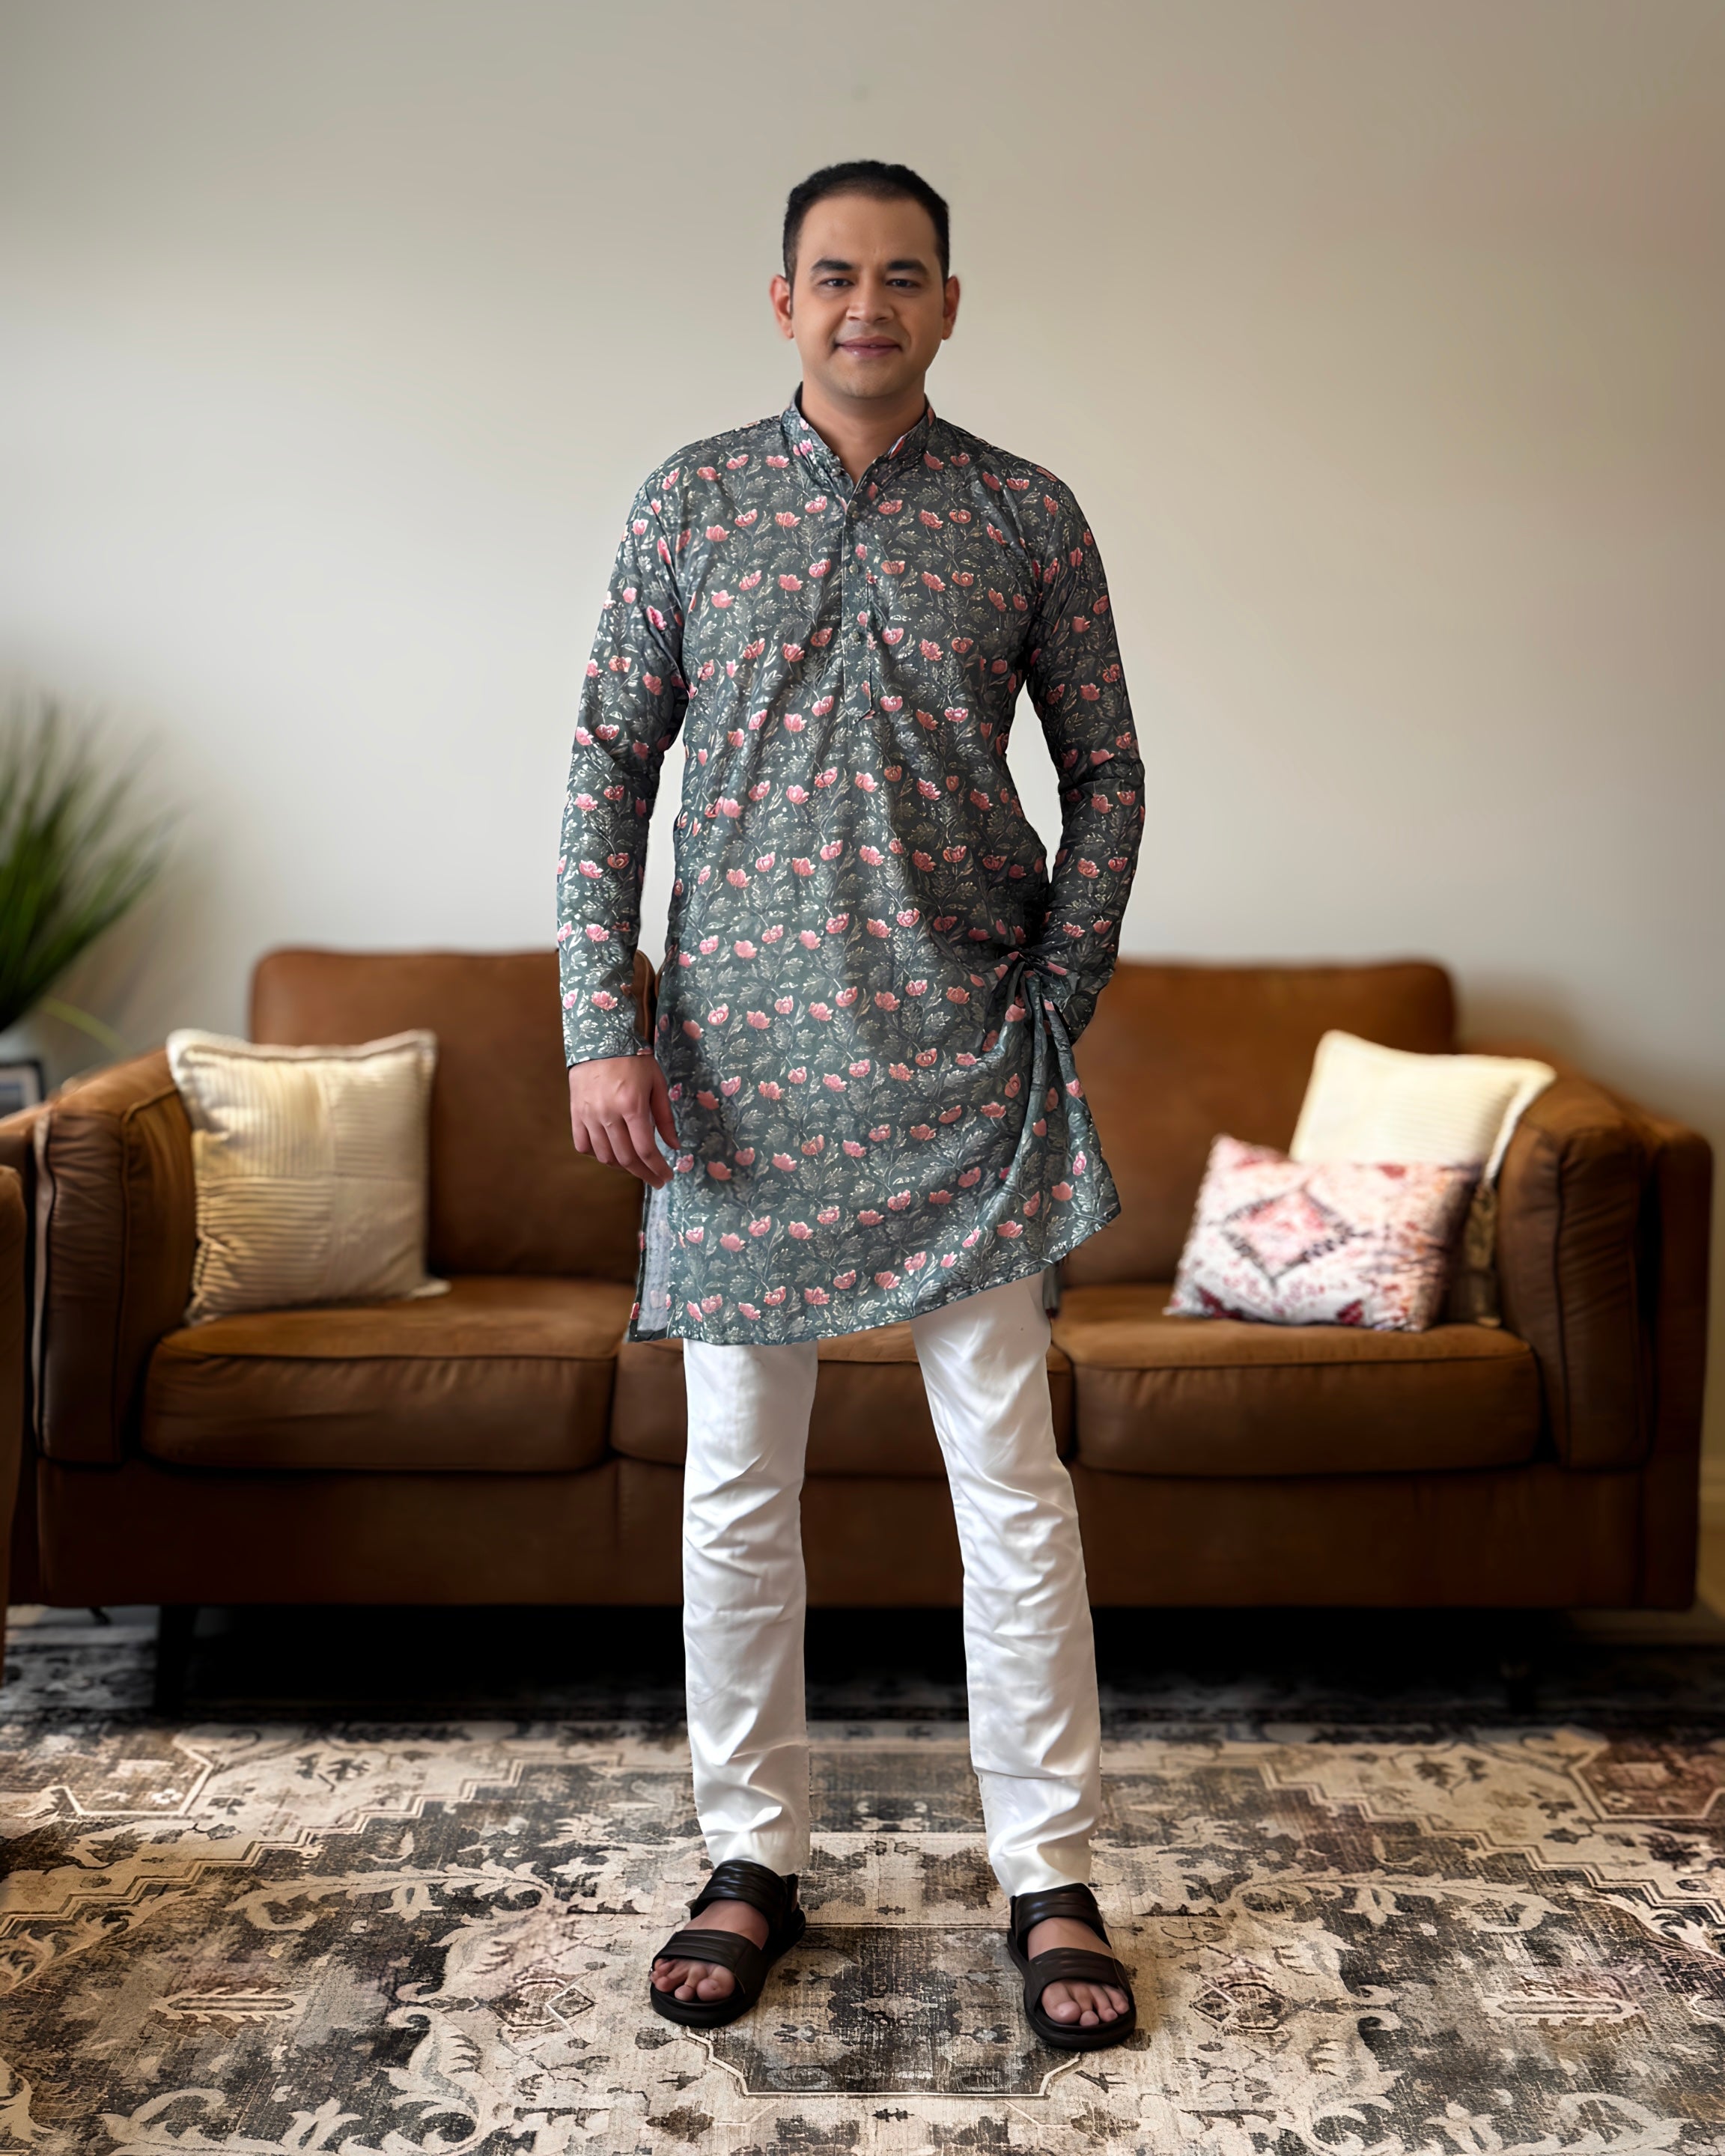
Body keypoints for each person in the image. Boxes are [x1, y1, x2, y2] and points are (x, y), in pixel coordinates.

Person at [556, 159, 1145, 2052]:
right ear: (784, 302)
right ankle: (751, 1859)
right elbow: (604, 770)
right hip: (729, 1079)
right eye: (833, 275)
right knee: (737, 1488)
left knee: (1014, 1490)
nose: (866, 304)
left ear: (949, 304)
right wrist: (602, 1018)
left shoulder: (1026, 515)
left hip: (963, 1075)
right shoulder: (691, 503)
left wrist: (1048, 1006)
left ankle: (1047, 1872)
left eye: (902, 276)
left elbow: (1112, 775)